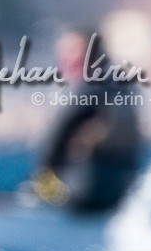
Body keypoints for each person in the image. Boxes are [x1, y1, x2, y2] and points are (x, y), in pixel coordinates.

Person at [31, 27, 143, 215]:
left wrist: (43, 177)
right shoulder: (122, 85)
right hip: (122, 191)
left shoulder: (91, 88)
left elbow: (55, 139)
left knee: (37, 190)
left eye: (71, 52)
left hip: (85, 191)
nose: (65, 59)